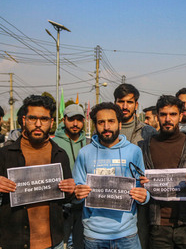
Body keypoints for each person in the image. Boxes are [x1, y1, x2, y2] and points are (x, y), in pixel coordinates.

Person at [0, 95, 75, 249]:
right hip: (15, 242)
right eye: (32, 118)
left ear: (52, 122)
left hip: (54, 243)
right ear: (23, 120)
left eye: (44, 119)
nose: (38, 124)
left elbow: (67, 198)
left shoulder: (59, 154)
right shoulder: (5, 154)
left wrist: (70, 191)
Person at [72, 102, 150, 249]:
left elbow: (143, 189)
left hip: (127, 235)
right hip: (94, 236)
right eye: (101, 122)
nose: (106, 127)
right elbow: (76, 191)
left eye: (111, 121)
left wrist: (144, 196)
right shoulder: (84, 153)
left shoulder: (134, 151)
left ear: (120, 125)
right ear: (95, 125)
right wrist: (76, 193)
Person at [139, 95, 186, 249]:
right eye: (163, 114)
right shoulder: (144, 147)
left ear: (181, 116)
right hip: (158, 226)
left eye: (173, 114)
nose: (168, 119)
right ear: (157, 116)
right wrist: (140, 184)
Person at [113, 83, 157, 249]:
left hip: (140, 202)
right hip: (112, 199)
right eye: (121, 101)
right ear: (115, 102)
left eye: (129, 102)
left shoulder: (149, 132)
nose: (125, 106)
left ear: (136, 105)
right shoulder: (105, 131)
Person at [53, 104, 88, 249]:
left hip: (83, 204)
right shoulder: (53, 143)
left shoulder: (88, 142)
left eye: (79, 120)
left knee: (81, 243)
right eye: (71, 119)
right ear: (63, 120)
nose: (75, 124)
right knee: (61, 243)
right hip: (62, 206)